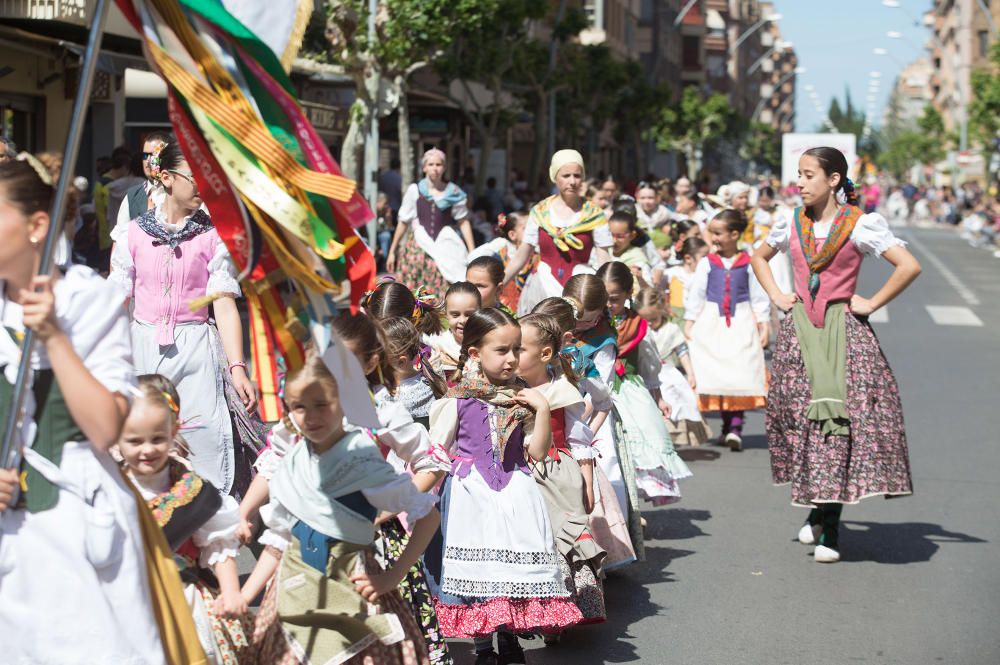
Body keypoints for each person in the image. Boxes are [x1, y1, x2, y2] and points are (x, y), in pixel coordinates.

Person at [0, 151, 165, 663]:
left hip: (76, 527)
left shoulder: (89, 300)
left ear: (37, 225)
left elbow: (105, 427)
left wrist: (53, 337)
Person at [751, 146, 920, 564]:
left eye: (809, 175)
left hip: (842, 333)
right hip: (799, 333)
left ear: (833, 180)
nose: (800, 183)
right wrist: (777, 295)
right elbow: (758, 257)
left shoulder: (860, 225)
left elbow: (908, 266)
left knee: (835, 423)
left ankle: (831, 529)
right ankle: (818, 507)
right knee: (803, 420)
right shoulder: (790, 222)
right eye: (799, 174)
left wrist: (870, 302)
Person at [240, 347, 441, 665]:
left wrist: (392, 577)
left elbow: (428, 516)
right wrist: (244, 597)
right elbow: (279, 543)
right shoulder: (292, 464)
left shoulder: (360, 465)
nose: (311, 416)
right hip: (294, 593)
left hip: (353, 588)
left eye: (321, 405)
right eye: (300, 407)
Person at [108, 138, 262, 496]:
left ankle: (200, 526)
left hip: (196, 349)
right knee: (143, 437)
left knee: (202, 435)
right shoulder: (133, 232)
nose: (203, 188)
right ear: (166, 178)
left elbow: (223, 302)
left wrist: (238, 366)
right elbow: (117, 299)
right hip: (142, 346)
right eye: (195, 178)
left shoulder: (212, 235)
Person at [428, 308, 583, 662]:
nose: (512, 359)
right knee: (480, 572)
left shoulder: (524, 396)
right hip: (471, 494)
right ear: (474, 353)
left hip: (516, 489)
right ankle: (484, 646)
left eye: (516, 349)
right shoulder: (458, 399)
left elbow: (539, 451)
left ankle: (510, 638)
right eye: (502, 350)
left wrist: (542, 409)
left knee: (508, 571)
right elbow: (437, 450)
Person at [120, 374, 251, 663]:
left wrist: (230, 591)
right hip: (130, 600)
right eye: (134, 440)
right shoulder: (112, 487)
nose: (147, 449)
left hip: (182, 597)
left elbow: (218, 542)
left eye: (157, 439)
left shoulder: (191, 489)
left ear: (173, 430)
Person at [530, 296, 636, 571]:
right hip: (529, 463)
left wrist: (586, 441)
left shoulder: (573, 364)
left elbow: (603, 400)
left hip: (564, 458)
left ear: (565, 337)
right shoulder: (520, 370)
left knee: (571, 526)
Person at [517, 313, 606, 637]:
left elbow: (578, 438)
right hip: (518, 473)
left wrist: (587, 478)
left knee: (559, 540)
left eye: (519, 349)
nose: (512, 356)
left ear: (544, 354)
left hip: (555, 472)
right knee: (530, 542)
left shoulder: (563, 390)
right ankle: (539, 611)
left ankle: (563, 610)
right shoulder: (509, 388)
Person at [597, 262, 692, 505]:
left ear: (629, 294)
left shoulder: (637, 324)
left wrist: (658, 397)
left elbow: (650, 364)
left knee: (636, 441)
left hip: (628, 387)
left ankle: (630, 503)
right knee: (604, 449)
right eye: (603, 298)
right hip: (595, 390)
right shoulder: (591, 321)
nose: (609, 304)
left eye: (615, 299)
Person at [684, 209, 770, 452]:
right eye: (712, 233)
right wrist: (690, 321)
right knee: (718, 373)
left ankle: (735, 427)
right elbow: (697, 294)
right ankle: (726, 425)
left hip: (741, 319)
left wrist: (763, 322)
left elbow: (758, 295)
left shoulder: (750, 262)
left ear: (734, 234)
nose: (714, 238)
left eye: (718, 233)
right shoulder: (707, 263)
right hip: (712, 321)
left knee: (740, 372)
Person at [503, 150, 613, 315]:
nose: (572, 181)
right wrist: (499, 284)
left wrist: (605, 292)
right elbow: (522, 254)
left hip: (580, 287)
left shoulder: (594, 214)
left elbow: (603, 258)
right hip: (542, 284)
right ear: (555, 177)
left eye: (577, 175)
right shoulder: (540, 211)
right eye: (566, 175)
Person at [387, 148, 474, 294]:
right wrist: (392, 251)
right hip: (419, 246)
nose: (435, 168)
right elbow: (403, 222)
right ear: (424, 167)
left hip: (444, 244)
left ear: (444, 167)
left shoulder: (453, 192)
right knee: (415, 288)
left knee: (446, 285)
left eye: (439, 164)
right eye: (431, 164)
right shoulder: (415, 191)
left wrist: (472, 252)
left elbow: (463, 222)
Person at [634, 288, 709, 447]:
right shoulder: (638, 330)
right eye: (644, 319)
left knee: (677, 403)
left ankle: (672, 439)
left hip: (667, 373)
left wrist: (690, 373)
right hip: (646, 374)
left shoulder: (671, 330)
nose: (649, 323)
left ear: (661, 310)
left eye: (653, 318)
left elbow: (682, 351)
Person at [110, 131, 171, 246]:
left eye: (153, 155)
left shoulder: (183, 192)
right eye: (145, 155)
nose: (148, 161)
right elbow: (119, 242)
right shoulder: (133, 196)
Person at [467, 211, 536, 312]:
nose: (532, 231)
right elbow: (473, 256)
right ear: (512, 235)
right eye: (526, 228)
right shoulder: (501, 249)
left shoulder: (535, 252)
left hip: (530, 304)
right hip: (505, 306)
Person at [426, 281, 481, 376]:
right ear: (446, 314)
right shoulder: (436, 346)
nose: (462, 320)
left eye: (469, 315)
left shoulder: (488, 344)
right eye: (455, 315)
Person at [665, 236, 709, 322]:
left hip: (699, 319)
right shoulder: (671, 274)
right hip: (676, 319)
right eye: (704, 257)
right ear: (688, 258)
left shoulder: (706, 275)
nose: (707, 260)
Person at [608, 210, 653, 287]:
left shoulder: (638, 260)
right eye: (610, 234)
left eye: (620, 236)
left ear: (632, 235)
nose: (614, 240)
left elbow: (649, 292)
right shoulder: (601, 251)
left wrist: (639, 278)